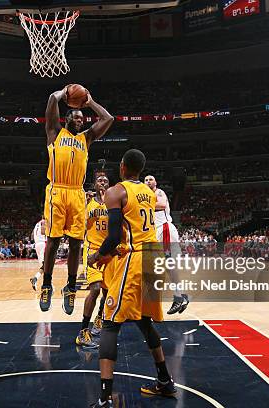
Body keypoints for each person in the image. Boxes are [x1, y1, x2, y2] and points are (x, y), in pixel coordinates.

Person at [88, 150, 175, 407]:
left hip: (136, 260)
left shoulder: (117, 191)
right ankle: (165, 382)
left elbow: (114, 237)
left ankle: (104, 398)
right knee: (144, 322)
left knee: (110, 322)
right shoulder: (149, 193)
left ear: (123, 166)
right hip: (152, 257)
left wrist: (96, 257)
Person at [39, 85, 114, 314]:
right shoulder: (55, 133)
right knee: (53, 241)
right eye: (77, 117)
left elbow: (107, 118)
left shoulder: (86, 139)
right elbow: (52, 98)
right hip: (57, 190)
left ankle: (70, 287)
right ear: (68, 118)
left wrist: (89, 102)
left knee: (75, 242)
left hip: (77, 192)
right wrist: (64, 93)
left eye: (83, 118)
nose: (81, 120)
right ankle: (47, 284)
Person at [144, 175, 190, 314]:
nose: (148, 181)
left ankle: (178, 297)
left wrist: (144, 204)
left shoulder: (158, 192)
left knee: (169, 265)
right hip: (154, 233)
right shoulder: (145, 196)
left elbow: (162, 204)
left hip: (164, 230)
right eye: (145, 180)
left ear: (156, 182)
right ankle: (182, 296)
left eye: (151, 179)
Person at [75, 173, 110, 348]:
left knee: (107, 291)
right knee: (95, 289)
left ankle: (99, 318)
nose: (102, 182)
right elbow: (80, 223)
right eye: (99, 181)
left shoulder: (113, 202)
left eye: (105, 181)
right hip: (92, 250)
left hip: (108, 252)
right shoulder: (88, 202)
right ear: (94, 184)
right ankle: (83, 332)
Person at [30, 218, 47, 290]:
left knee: (43, 267)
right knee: (46, 265)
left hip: (37, 244)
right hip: (43, 244)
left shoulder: (37, 224)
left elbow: (32, 235)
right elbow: (43, 231)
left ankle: (39, 280)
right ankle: (36, 278)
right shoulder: (44, 222)